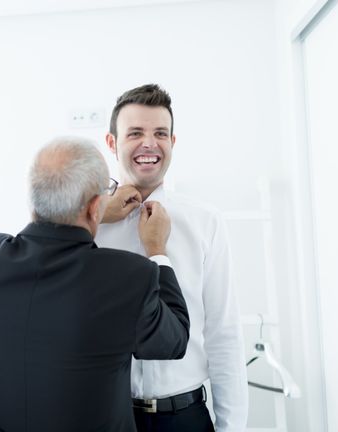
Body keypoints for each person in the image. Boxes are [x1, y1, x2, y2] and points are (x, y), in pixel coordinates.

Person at [0, 137, 190, 432]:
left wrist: (85, 212)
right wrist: (157, 249)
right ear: (96, 207)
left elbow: (34, 233)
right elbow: (175, 340)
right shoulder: (129, 277)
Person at [96, 84, 248, 432]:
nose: (149, 143)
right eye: (135, 133)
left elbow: (223, 332)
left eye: (160, 133)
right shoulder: (88, 225)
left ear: (172, 143)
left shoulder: (205, 221)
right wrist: (98, 215)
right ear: (111, 143)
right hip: (109, 416)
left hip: (186, 417)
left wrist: (232, 427)